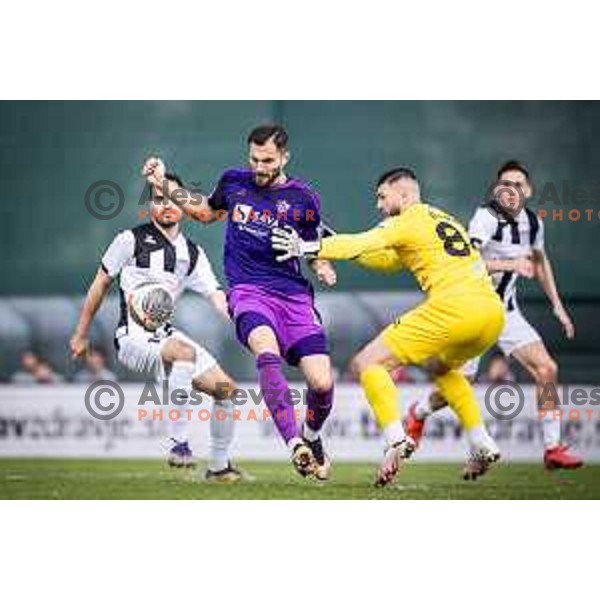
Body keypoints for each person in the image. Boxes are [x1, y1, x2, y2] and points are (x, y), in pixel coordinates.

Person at [272, 167, 505, 485]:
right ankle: (481, 441)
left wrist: (307, 247)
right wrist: (334, 242)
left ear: (405, 194)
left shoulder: (407, 220)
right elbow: (384, 259)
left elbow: (366, 241)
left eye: (383, 197)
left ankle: (396, 438)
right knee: (441, 369)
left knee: (366, 363)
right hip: (491, 313)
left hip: (454, 308)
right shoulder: (441, 219)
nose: (379, 205)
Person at [142, 125, 337, 480]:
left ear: (284, 158)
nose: (260, 167)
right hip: (249, 293)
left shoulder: (304, 198)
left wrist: (322, 265)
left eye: (268, 160)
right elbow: (203, 211)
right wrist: (163, 183)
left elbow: (313, 246)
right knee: (267, 352)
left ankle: (312, 437)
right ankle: (295, 444)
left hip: (294, 297)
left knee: (322, 384)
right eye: (254, 159)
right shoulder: (234, 182)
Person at [405, 161, 583, 470]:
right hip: (474, 310)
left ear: (527, 190)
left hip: (507, 312)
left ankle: (552, 448)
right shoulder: (485, 218)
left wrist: (557, 304)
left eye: (517, 184)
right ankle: (418, 413)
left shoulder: (534, 224)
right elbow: (468, 264)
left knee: (547, 370)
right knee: (457, 388)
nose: (510, 189)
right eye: (505, 184)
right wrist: (511, 265)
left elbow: (541, 262)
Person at [70, 174, 241, 481]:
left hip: (165, 337)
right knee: (184, 352)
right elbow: (100, 284)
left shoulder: (193, 253)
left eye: (174, 199)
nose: (167, 206)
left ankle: (218, 467)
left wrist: (242, 319)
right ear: (150, 204)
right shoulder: (129, 239)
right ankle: (178, 444)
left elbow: (216, 295)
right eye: (159, 199)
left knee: (227, 390)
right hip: (132, 338)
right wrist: (81, 333)